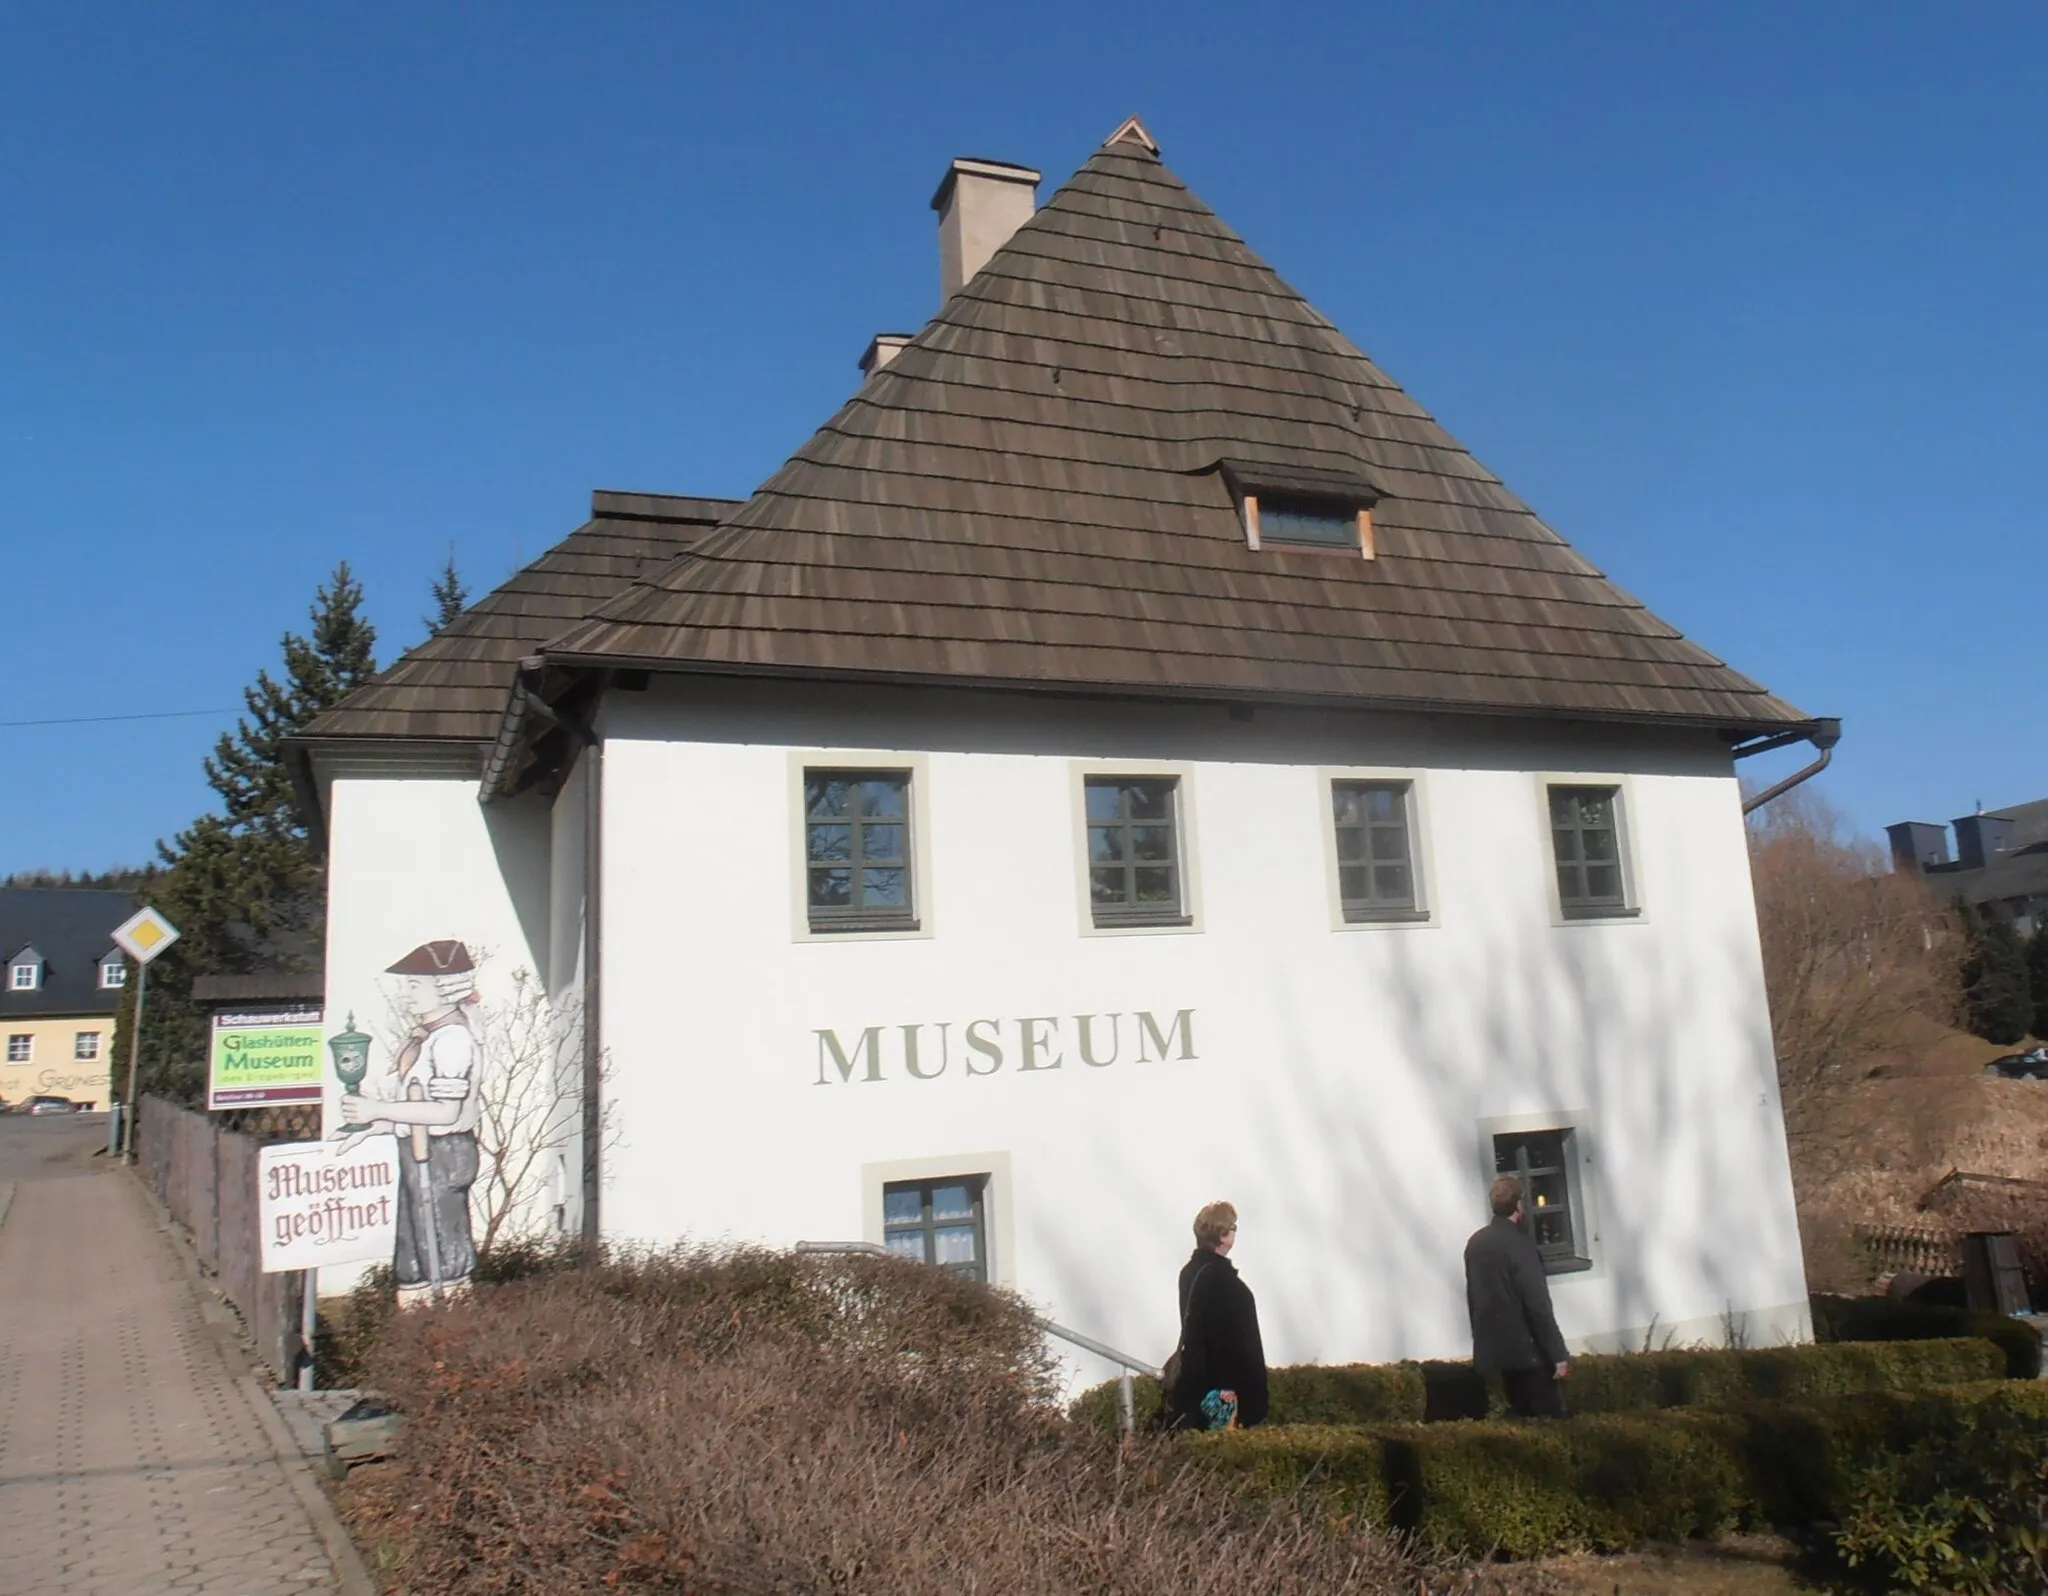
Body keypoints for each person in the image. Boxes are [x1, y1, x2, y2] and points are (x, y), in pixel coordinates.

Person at [337, 939, 483, 1307]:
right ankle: (415, 1333)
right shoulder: (427, 1039)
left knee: (444, 1251)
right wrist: (374, 1126)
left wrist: (379, 1110)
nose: (407, 994)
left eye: (416, 985)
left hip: (444, 1153)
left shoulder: (453, 1040)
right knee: (413, 1254)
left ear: (446, 987)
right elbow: (414, 1113)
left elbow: (444, 1112)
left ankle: (454, 1325)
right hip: (417, 1151)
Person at [1464, 1175, 1570, 1417]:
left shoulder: (1476, 1243)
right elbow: (1538, 1306)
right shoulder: (1520, 1246)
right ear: (1519, 1205)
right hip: (1526, 1354)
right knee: (1548, 1422)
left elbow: (1474, 1298)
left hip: (1491, 1353)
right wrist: (1558, 1354)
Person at [1164, 1200, 1269, 1431]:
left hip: (1196, 1389)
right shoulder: (1227, 1284)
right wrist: (1253, 1401)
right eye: (1233, 1228)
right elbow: (1239, 1346)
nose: (1234, 1233)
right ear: (1222, 1235)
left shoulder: (1189, 1273)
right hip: (1225, 1396)